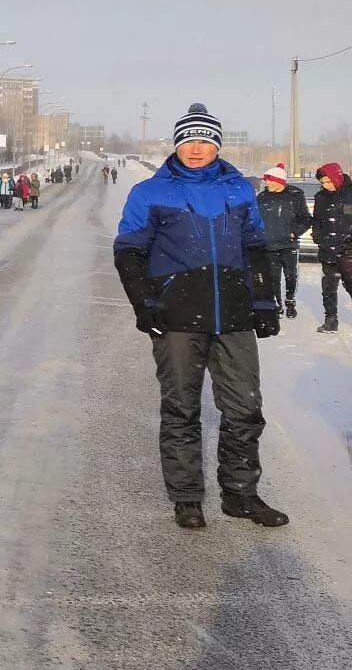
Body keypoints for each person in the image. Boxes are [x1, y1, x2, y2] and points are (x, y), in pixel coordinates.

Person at [114, 103, 286, 529]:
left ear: (217, 147)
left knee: (246, 409)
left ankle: (241, 494)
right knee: (181, 410)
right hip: (175, 319)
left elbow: (257, 250)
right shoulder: (151, 192)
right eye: (189, 140)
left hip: (234, 316)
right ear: (176, 145)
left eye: (205, 141)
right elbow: (129, 252)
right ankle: (187, 497)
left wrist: (264, 303)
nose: (196, 149)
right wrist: (145, 305)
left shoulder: (239, 189)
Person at [256, 163, 310, 321]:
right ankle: (276, 304)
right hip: (269, 244)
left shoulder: (295, 196)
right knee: (273, 277)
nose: (267, 183)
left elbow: (306, 220)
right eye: (266, 180)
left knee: (290, 275)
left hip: (289, 244)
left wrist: (294, 233)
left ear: (279, 181)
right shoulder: (262, 197)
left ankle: (290, 301)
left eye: (270, 180)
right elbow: (255, 219)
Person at [310, 162, 349, 333]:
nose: (326, 186)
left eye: (328, 181)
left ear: (336, 178)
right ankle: (331, 319)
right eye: (323, 183)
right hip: (328, 248)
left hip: (349, 250)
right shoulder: (321, 197)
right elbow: (317, 220)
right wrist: (317, 235)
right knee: (329, 287)